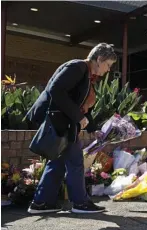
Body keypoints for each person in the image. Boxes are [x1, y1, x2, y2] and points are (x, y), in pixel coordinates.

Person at [25, 43, 117, 214]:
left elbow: (81, 106)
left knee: (58, 162)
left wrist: (92, 128)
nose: (108, 70)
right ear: (99, 59)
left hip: (64, 124)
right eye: (108, 65)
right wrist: (79, 117)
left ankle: (41, 203)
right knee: (75, 163)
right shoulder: (77, 67)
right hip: (62, 124)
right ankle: (80, 203)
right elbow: (56, 90)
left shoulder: (86, 75)